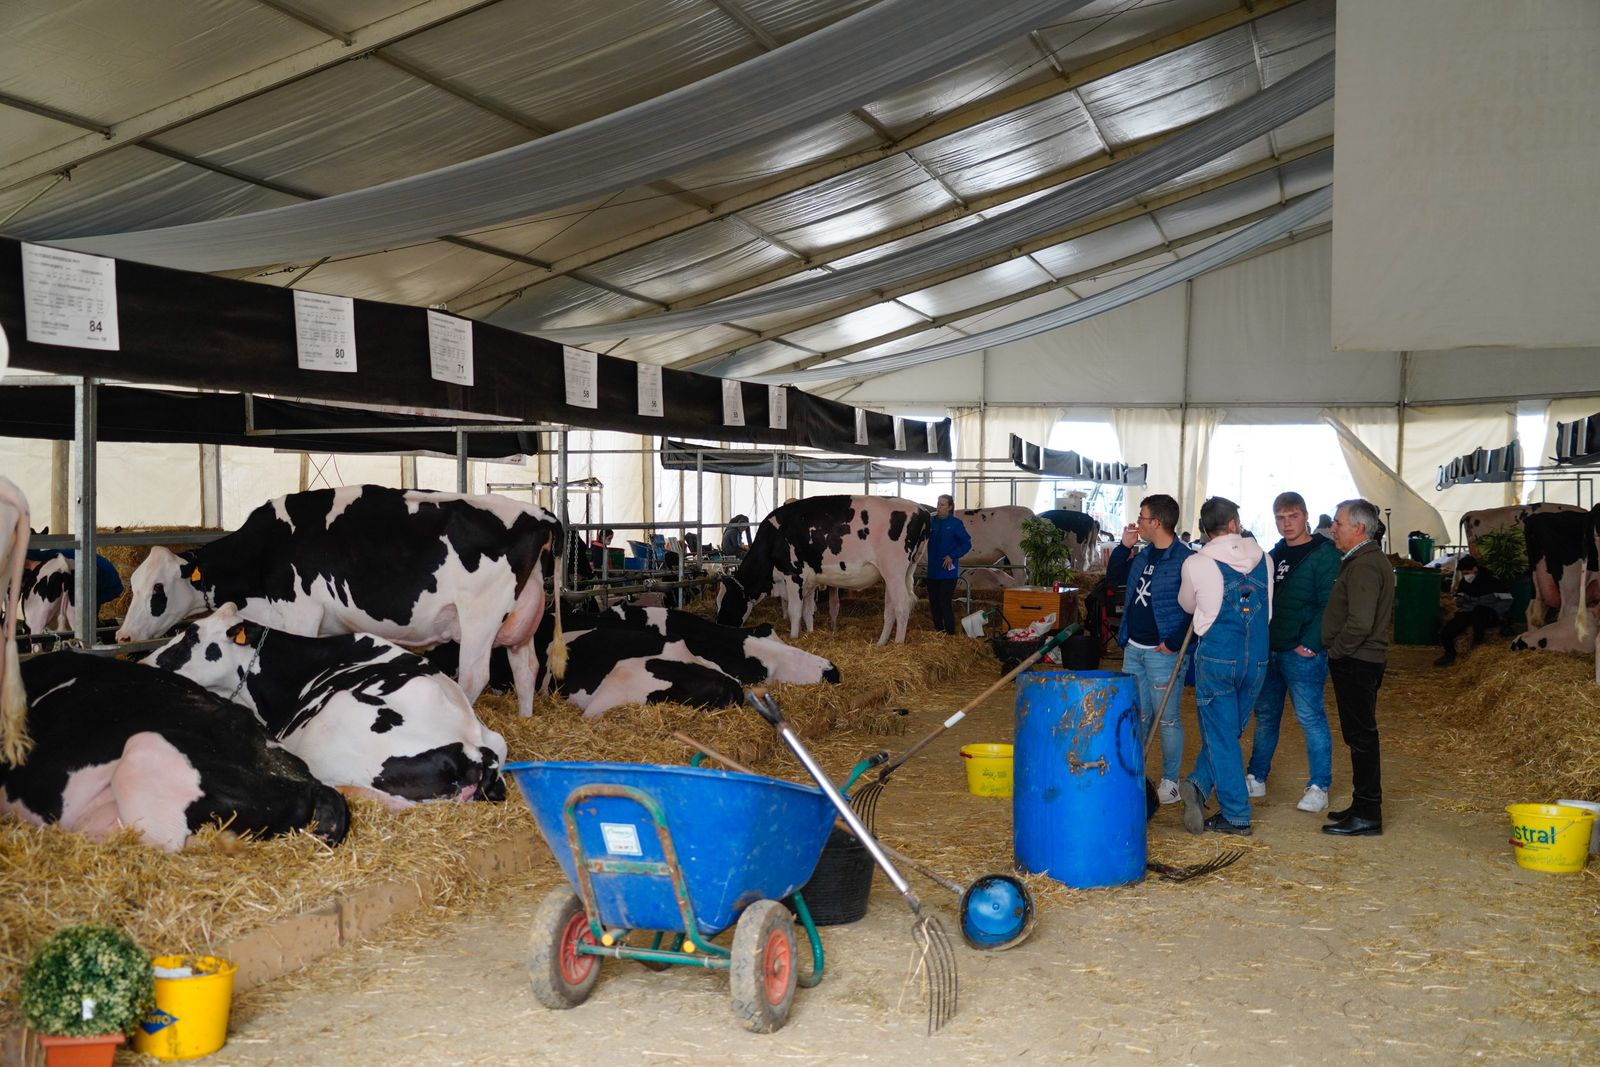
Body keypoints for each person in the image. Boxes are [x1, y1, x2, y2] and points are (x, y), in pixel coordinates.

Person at [1176, 497, 1273, 836]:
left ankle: (1235, 814)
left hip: (1218, 655)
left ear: (1205, 529)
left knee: (1221, 736)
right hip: (1258, 656)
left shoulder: (1196, 562)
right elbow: (1269, 611)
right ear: (1234, 523)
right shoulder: (1266, 558)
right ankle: (1200, 785)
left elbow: (1186, 604)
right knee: (1228, 733)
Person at [1245, 492, 1339, 814]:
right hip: (1271, 649)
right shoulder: (1275, 554)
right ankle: (1256, 776)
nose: (1286, 524)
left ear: (1306, 516)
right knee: (1266, 716)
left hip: (1301, 653)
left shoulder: (1324, 554)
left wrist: (1312, 643)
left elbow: (1331, 604)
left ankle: (1319, 785)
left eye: (1293, 516)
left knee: (1310, 718)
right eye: (1280, 518)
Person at [1106, 494, 1193, 806]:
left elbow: (1197, 607)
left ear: (1156, 522)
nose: (1138, 522)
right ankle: (1133, 772)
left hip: (1162, 652)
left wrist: (1174, 641)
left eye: (1142, 518)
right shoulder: (1141, 556)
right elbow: (1113, 578)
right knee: (1136, 715)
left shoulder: (1185, 559)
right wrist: (1124, 546)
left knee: (1167, 719)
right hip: (1135, 648)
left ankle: (1171, 780)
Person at [1321, 498, 1394, 838]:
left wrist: (1337, 652)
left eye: (1338, 523)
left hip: (1358, 660)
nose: (1333, 528)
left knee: (1362, 736)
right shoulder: (1362, 560)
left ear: (1359, 528)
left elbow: (1360, 622)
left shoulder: (1364, 566)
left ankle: (1367, 813)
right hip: (1360, 658)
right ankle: (1362, 805)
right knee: (1358, 735)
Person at [1435, 555, 1510, 667]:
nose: (1466, 576)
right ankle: (1450, 653)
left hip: (1489, 612)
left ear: (1475, 569)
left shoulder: (1493, 581)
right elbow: (1459, 598)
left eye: (1467, 573)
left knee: (1479, 612)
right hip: (1469, 611)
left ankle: (1477, 645)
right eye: (1463, 574)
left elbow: (1507, 600)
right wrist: (1459, 601)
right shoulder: (1464, 583)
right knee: (1447, 629)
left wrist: (1498, 614)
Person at [925, 495, 971, 635]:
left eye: (942, 505)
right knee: (933, 602)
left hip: (948, 572)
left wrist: (953, 555)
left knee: (944, 601)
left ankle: (950, 633)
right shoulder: (931, 522)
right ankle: (938, 630)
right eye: (938, 504)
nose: (938, 507)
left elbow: (966, 543)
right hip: (932, 570)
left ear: (950, 507)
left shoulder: (956, 523)